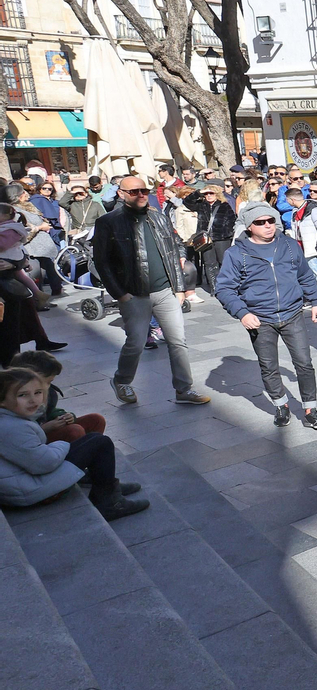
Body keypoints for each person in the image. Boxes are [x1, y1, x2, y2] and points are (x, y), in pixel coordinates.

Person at [92, 175, 210, 407]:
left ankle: (184, 389)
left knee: (178, 341)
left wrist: (179, 287)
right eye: (134, 191)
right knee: (135, 343)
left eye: (144, 190)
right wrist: (120, 294)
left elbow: (173, 248)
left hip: (165, 291)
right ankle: (122, 380)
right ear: (121, 194)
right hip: (134, 294)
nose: (141, 195)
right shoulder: (108, 222)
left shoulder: (158, 217)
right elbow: (101, 262)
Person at [215, 203, 317, 429]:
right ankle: (281, 405)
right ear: (249, 226)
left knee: (304, 363)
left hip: (293, 313)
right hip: (260, 318)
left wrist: (315, 301)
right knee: (269, 366)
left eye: (271, 220)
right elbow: (224, 288)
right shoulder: (237, 253)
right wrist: (242, 313)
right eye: (260, 222)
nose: (268, 225)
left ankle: (310, 409)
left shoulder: (288, 245)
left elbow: (305, 274)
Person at [0, 367, 146, 518]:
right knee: (100, 443)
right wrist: (62, 444)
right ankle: (109, 502)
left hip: (25, 485)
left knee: (94, 439)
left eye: (38, 392)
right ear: (3, 400)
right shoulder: (11, 427)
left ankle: (106, 485)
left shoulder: (10, 419)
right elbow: (44, 463)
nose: (33, 400)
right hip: (31, 491)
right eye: (22, 395)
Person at [8, 350, 104, 444]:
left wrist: (65, 416)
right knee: (75, 431)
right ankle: (77, 457)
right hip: (33, 441)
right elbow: (17, 433)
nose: (47, 386)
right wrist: (46, 428)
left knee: (96, 419)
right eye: (46, 382)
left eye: (50, 382)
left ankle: (92, 450)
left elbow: (48, 410)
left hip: (45, 428)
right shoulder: (11, 400)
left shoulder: (47, 393)